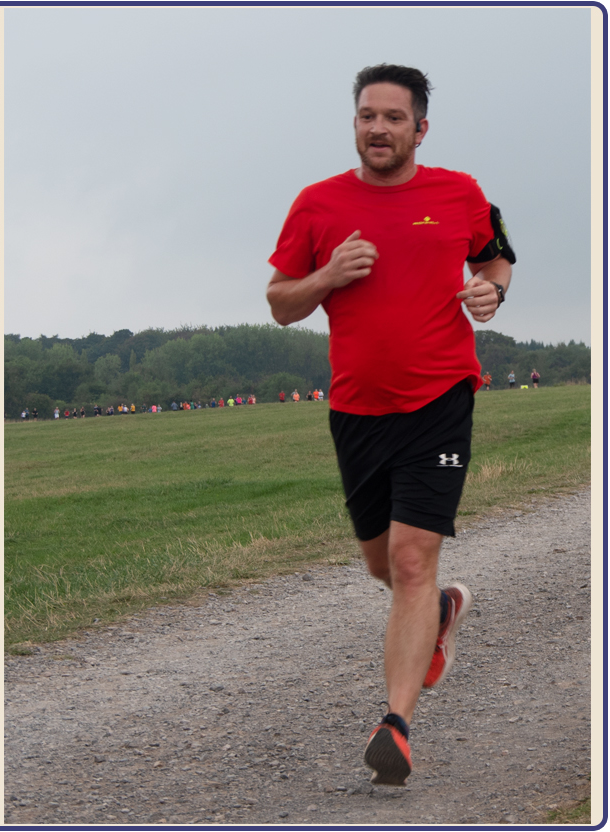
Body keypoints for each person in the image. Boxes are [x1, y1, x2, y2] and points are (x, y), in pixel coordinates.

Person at [265, 64, 512, 788]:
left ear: (420, 129)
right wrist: (328, 275)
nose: (378, 127)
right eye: (367, 115)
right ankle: (439, 613)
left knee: (409, 559)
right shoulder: (317, 204)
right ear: (355, 123)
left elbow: (496, 256)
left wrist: (489, 292)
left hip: (440, 398)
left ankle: (395, 727)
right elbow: (281, 302)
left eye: (393, 117)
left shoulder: (462, 193)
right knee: (382, 565)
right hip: (356, 410)